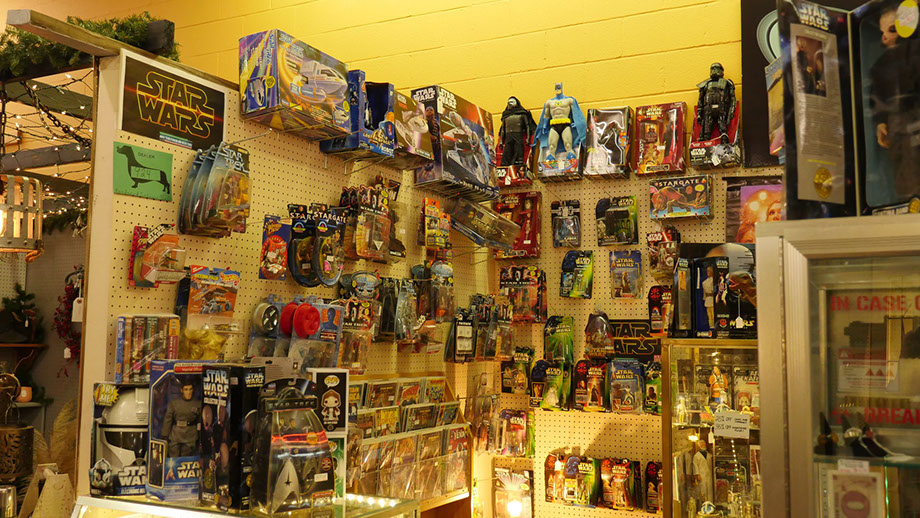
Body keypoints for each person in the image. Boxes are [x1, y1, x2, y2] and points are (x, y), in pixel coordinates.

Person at [869, 8, 920, 198]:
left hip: (914, 113)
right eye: (883, 32)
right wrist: (880, 122)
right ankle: (907, 201)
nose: (885, 37)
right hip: (896, 121)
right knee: (900, 159)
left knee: (913, 156)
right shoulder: (880, 65)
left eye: (891, 29)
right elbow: (877, 95)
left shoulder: (914, 50)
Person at [161, 379, 201, 457]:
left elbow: (200, 420)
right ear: (181, 390)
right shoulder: (174, 404)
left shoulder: (197, 404)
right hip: (176, 435)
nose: (188, 392)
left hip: (190, 435)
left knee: (185, 457)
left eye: (190, 389)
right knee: (173, 456)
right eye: (186, 389)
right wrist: (164, 435)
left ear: (193, 390)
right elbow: (167, 420)